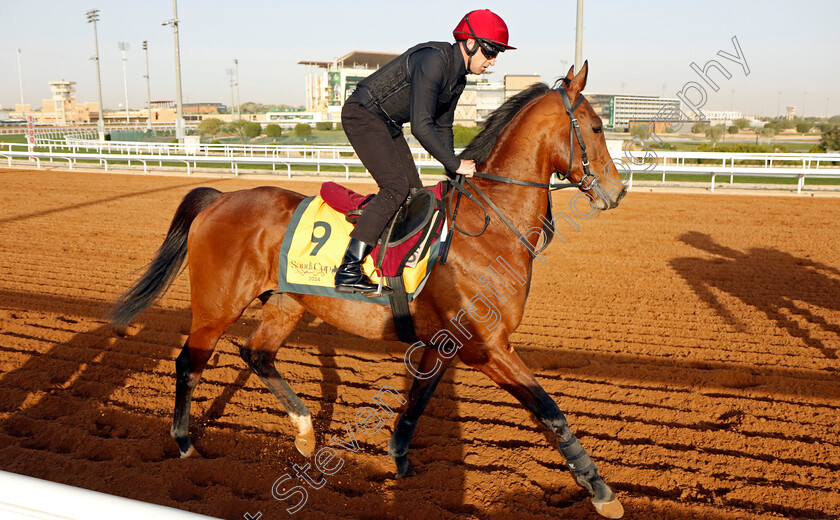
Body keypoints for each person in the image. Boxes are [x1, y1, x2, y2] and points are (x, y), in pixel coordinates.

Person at [335, 9, 515, 294]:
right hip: (362, 114)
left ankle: (391, 264)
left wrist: (455, 172)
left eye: (497, 55)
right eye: (490, 52)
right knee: (395, 188)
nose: (492, 62)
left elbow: (443, 128)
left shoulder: (458, 79)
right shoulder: (434, 61)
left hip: (387, 122)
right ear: (470, 43)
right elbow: (420, 125)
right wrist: (455, 164)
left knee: (415, 194)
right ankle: (348, 268)